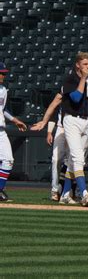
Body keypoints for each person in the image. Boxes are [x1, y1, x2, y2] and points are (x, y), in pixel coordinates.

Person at [59, 52, 88, 206]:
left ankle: (65, 194)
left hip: (87, 121)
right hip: (72, 119)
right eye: (84, 64)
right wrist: (83, 78)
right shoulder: (70, 78)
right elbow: (76, 98)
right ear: (77, 64)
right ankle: (84, 193)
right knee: (78, 158)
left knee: (74, 160)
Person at [30, 92, 68, 201]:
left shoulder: (83, 90)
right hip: (61, 128)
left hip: (76, 127)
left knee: (73, 161)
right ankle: (55, 190)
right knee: (56, 159)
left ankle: (73, 191)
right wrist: (49, 132)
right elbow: (54, 111)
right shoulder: (65, 89)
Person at [0, 62, 27, 202]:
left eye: (4, 73)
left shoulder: (3, 89)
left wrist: (15, 120)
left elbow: (3, 109)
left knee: (8, 160)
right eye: (1, 73)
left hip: (1, 130)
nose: (3, 75)